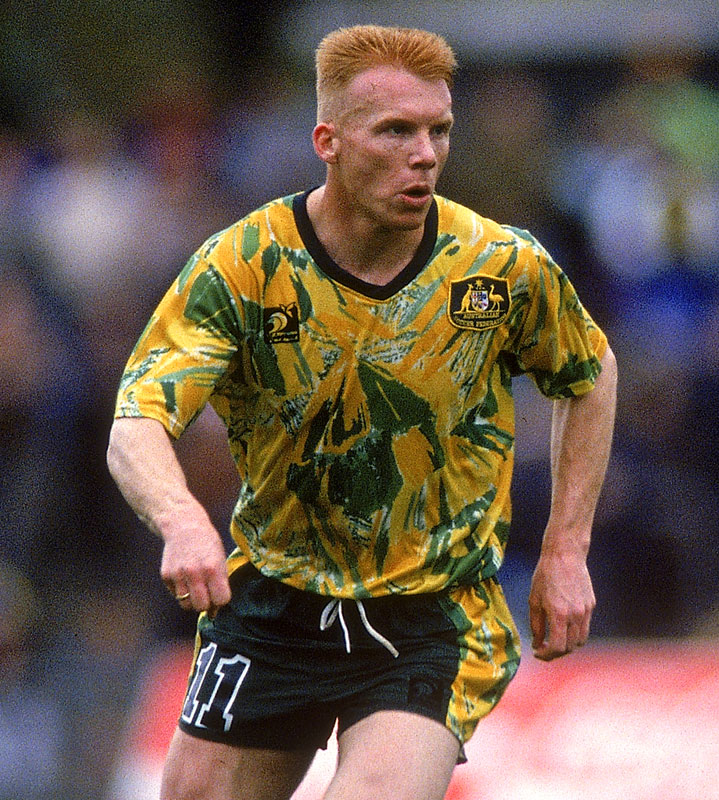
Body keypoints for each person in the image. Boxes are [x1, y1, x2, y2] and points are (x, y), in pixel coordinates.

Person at [107, 24, 617, 800]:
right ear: (329, 142)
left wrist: (566, 549)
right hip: (275, 602)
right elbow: (137, 419)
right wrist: (180, 520)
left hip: (430, 614)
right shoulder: (244, 265)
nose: (425, 154)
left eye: (438, 130)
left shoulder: (499, 265)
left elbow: (590, 373)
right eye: (395, 131)